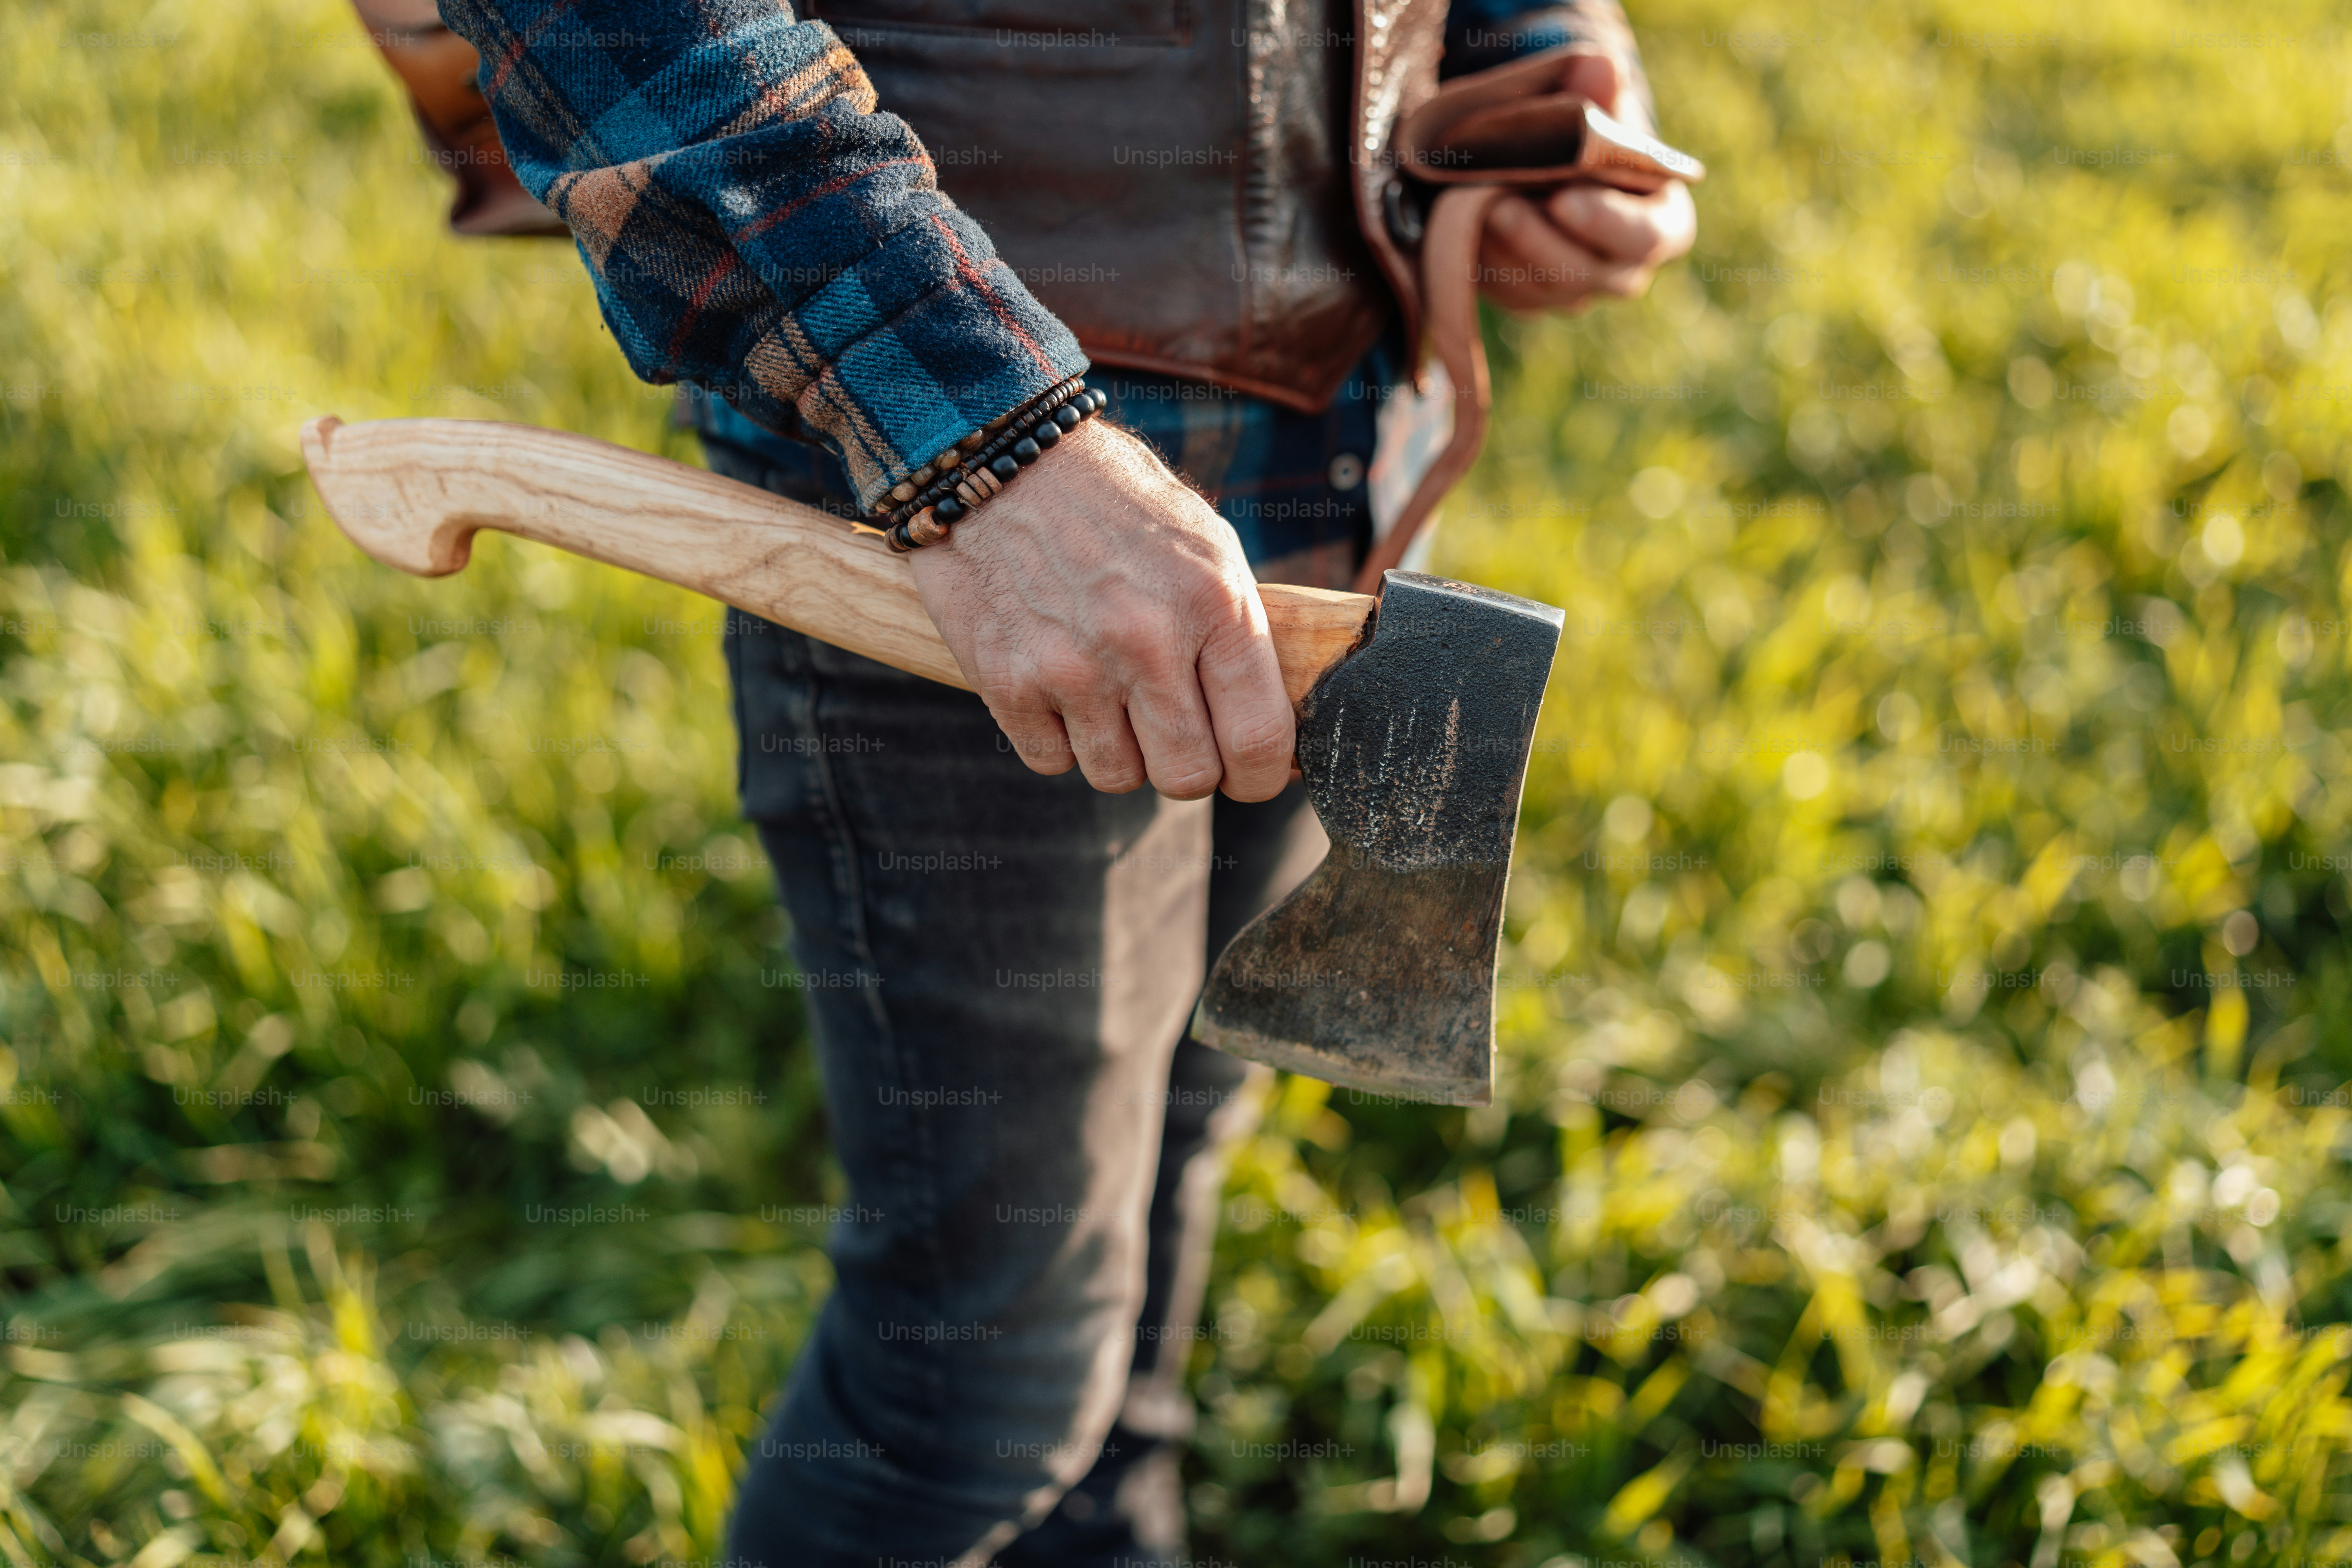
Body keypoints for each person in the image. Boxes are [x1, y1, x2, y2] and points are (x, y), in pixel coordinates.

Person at [427, 0, 1695, 1560]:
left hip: (1332, 468)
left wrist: (1539, 59)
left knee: (1165, 1160)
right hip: (970, 539)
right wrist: (990, 441)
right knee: (975, 1386)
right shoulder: (987, 492)